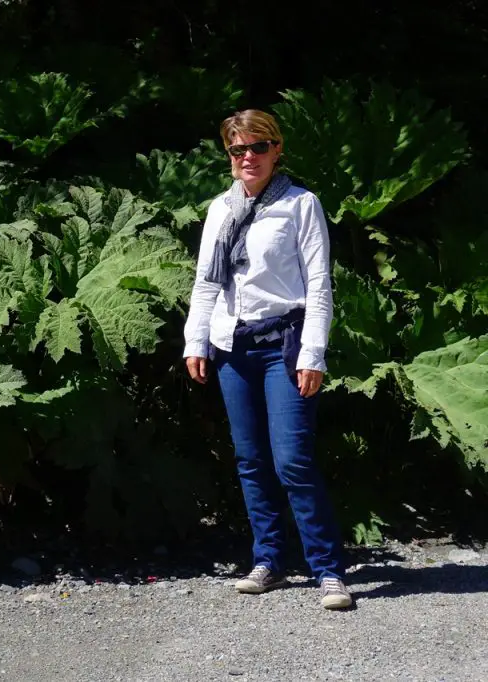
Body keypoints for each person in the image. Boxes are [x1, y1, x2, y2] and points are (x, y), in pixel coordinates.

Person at [183, 109, 352, 610]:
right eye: (238, 150)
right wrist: (196, 341)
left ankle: (327, 571)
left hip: (285, 344)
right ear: (229, 156)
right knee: (250, 460)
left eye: (258, 147)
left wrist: (314, 353)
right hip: (233, 346)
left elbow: (319, 285)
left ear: (277, 150)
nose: (248, 157)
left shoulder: (302, 205)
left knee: (293, 460)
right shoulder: (220, 209)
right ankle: (269, 561)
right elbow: (207, 281)